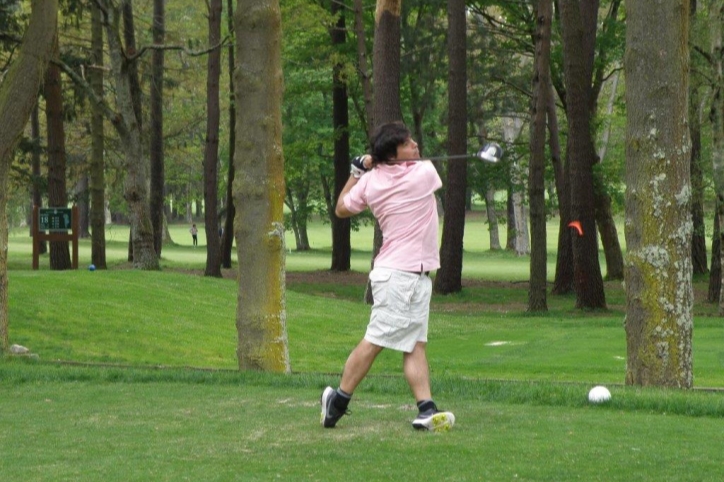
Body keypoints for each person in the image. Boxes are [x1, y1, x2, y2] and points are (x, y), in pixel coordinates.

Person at [321, 121, 455, 432]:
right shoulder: (423, 174)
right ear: (395, 154)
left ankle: (426, 409)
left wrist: (358, 171)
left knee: (414, 345)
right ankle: (336, 403)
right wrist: (371, 164)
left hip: (410, 276)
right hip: (401, 277)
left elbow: (341, 207)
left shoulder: (369, 182)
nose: (415, 146)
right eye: (408, 144)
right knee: (375, 341)